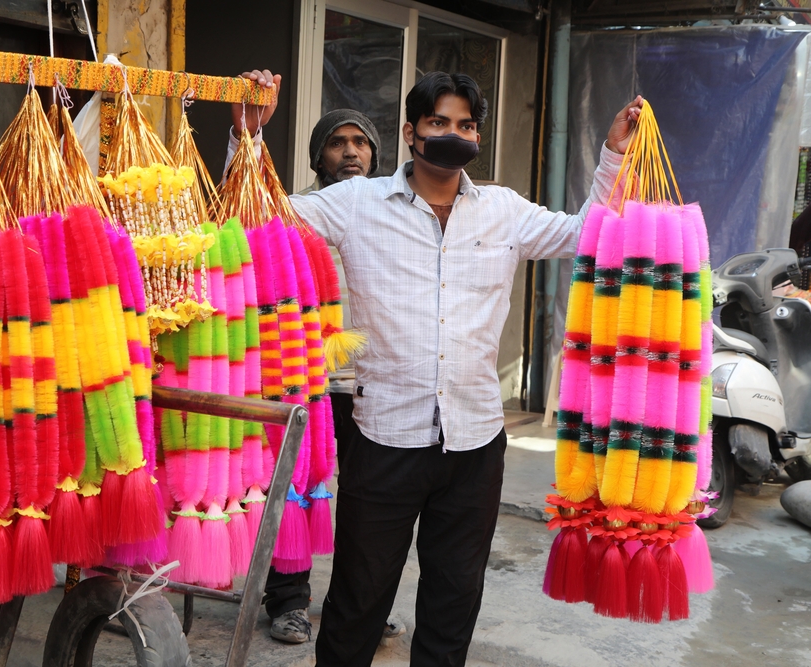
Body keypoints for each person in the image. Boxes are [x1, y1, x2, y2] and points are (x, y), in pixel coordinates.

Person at [234, 69, 641, 666]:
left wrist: (614, 156)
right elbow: (261, 219)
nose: (454, 134)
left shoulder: (503, 210)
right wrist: (247, 139)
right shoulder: (355, 204)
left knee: (454, 599)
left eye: (466, 125)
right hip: (385, 438)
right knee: (358, 600)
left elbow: (588, 236)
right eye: (439, 123)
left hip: (476, 443)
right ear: (411, 133)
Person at [226, 105, 407, 645]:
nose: (350, 151)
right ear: (318, 157)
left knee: (369, 507)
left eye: (360, 142)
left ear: (375, 154)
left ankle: (357, 608)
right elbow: (247, 204)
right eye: (337, 142)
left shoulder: (395, 214)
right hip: (305, 381)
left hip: (373, 385)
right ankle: (287, 603)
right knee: (297, 493)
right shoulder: (298, 211)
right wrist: (246, 137)